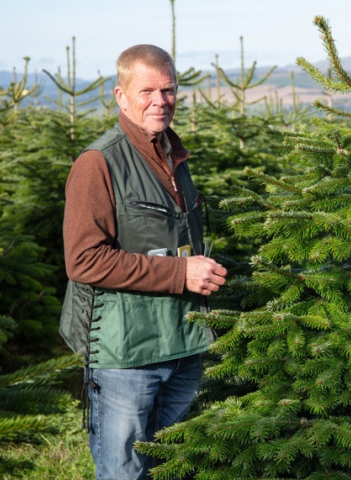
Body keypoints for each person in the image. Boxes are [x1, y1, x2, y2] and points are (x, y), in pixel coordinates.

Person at [59, 44, 227, 479]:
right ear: (120, 95)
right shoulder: (98, 163)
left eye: (168, 90)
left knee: (172, 467)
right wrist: (180, 273)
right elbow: (84, 261)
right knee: (125, 472)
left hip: (184, 342)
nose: (160, 101)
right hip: (126, 356)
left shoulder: (174, 156)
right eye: (147, 90)